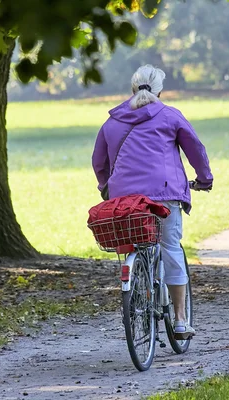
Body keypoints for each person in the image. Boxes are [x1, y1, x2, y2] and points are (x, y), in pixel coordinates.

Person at [92, 64, 213, 338]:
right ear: (161, 90)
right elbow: (196, 150)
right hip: (165, 195)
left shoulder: (112, 122)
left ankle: (139, 289)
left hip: (125, 200)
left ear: (132, 89)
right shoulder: (170, 116)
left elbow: (99, 162)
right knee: (170, 248)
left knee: (138, 242)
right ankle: (181, 320)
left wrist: (106, 187)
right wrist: (204, 179)